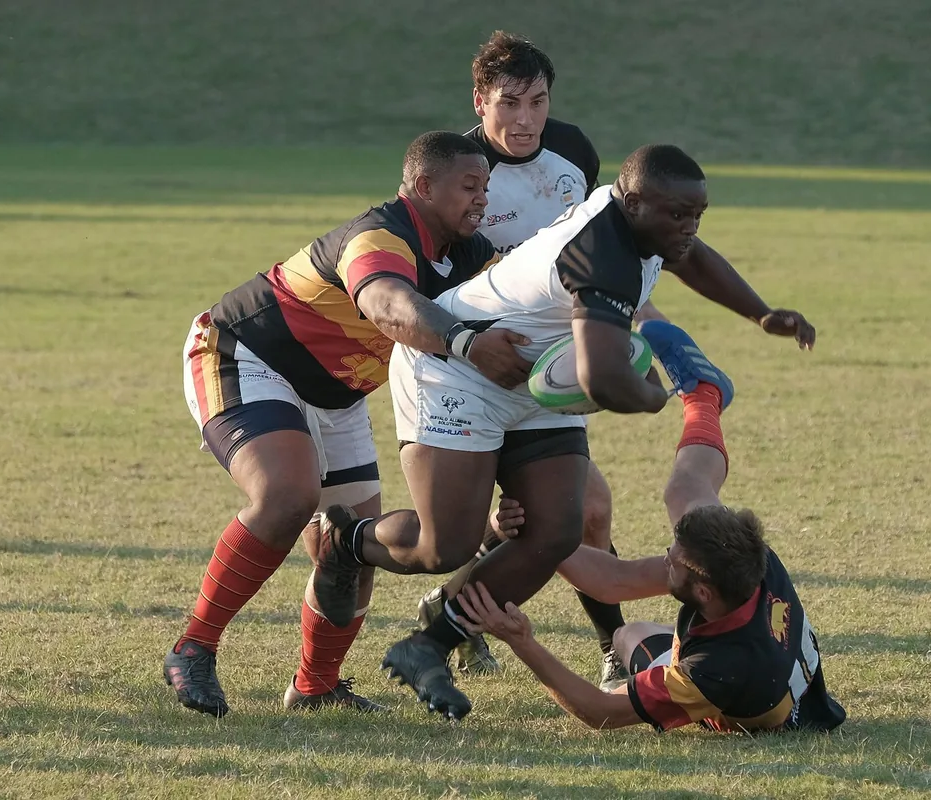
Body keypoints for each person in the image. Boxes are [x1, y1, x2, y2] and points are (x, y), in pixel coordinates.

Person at [306, 143, 815, 722]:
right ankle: (347, 541)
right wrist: (658, 394)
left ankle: (428, 646)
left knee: (556, 530)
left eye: (697, 214)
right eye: (678, 215)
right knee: (444, 546)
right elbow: (603, 380)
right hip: (459, 370)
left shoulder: (649, 227)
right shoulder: (602, 252)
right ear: (633, 203)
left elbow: (691, 256)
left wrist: (760, 313)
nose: (689, 227)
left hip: (536, 374)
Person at [417, 31, 816, 689]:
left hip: (558, 352)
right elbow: (435, 283)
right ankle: (448, 602)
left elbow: (614, 255)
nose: (525, 119)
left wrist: (651, 318)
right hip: (477, 362)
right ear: (480, 101)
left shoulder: (572, 153)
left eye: (537, 101)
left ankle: (556, 633)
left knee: (577, 511)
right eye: (509, 103)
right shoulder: (456, 171)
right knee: (513, 521)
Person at [163, 131, 532, 718]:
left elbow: (523, 309)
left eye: (485, 187)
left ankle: (314, 685)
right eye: (469, 186)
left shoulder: (471, 255)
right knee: (286, 496)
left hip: (337, 395)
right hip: (246, 355)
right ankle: (194, 647)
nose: (482, 199)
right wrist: (466, 341)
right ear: (423, 186)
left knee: (349, 546)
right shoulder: (378, 235)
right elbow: (387, 303)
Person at [457, 324, 847, 734]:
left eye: (674, 560)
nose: (666, 556)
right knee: (686, 492)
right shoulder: (750, 560)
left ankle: (707, 396)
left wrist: (522, 641)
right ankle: (705, 395)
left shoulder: (713, 670)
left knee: (627, 643)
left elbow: (601, 712)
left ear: (703, 592)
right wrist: (541, 531)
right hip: (765, 656)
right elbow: (615, 578)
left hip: (745, 692)